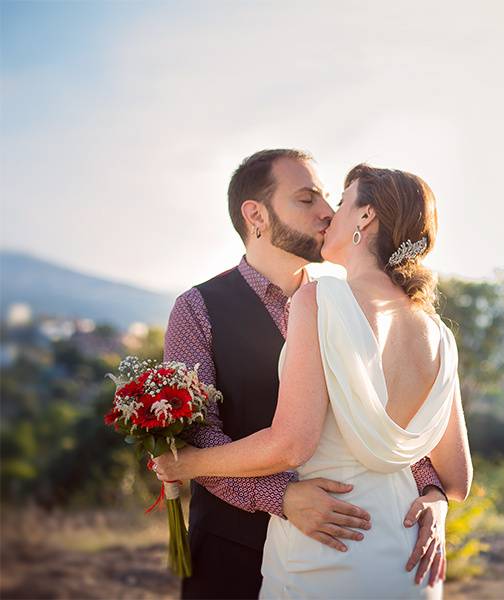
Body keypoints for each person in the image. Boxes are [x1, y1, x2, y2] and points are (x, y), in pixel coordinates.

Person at [162, 151, 457, 598]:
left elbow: (380, 416)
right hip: (231, 547)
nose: (325, 211)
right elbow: (199, 436)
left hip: (343, 547)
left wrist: (433, 492)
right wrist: (278, 496)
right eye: (307, 199)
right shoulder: (197, 308)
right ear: (255, 215)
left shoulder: (338, 301)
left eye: (329, 198)